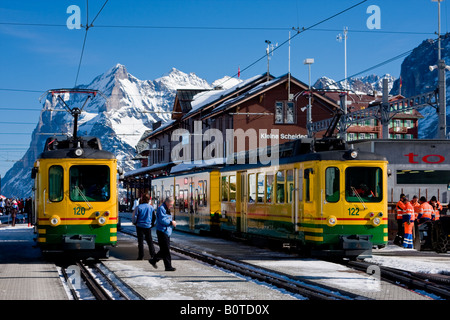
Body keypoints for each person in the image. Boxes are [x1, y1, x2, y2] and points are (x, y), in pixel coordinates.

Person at [149, 196, 177, 271]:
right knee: (166, 249)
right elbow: (162, 220)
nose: (171, 206)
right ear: (167, 202)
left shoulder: (166, 208)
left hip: (166, 231)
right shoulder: (162, 209)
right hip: (162, 231)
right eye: (171, 204)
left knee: (164, 249)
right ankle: (168, 266)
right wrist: (171, 222)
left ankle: (154, 260)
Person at [132, 193, 156, 260]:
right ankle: (153, 255)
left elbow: (135, 216)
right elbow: (154, 217)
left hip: (139, 226)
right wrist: (152, 224)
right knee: (150, 241)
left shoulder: (138, 207)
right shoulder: (151, 208)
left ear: (142, 199)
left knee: (140, 242)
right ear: (149, 200)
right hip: (148, 226)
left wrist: (134, 222)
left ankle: (141, 256)